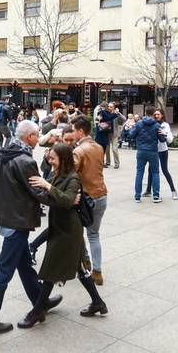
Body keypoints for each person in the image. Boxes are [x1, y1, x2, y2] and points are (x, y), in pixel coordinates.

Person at [0, 120, 62, 336]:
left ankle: (39, 300)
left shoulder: (3, 153)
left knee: (24, 263)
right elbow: (37, 191)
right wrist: (62, 197)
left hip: (5, 216)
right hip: (17, 220)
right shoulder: (25, 160)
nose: (39, 139)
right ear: (29, 137)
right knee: (4, 271)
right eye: (37, 136)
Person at [19, 142, 108, 328]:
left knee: (50, 271)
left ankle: (36, 312)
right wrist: (48, 184)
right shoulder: (55, 173)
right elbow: (59, 198)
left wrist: (48, 186)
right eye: (49, 157)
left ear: (63, 159)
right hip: (60, 227)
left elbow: (67, 201)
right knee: (81, 270)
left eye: (53, 158)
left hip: (68, 231)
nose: (50, 160)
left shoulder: (73, 178)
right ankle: (98, 303)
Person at [70, 116, 108, 284]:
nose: (72, 133)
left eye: (73, 130)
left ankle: (85, 263)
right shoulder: (98, 147)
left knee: (78, 233)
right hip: (101, 194)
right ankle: (97, 270)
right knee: (94, 234)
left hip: (86, 198)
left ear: (80, 131)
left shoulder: (79, 151)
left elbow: (71, 173)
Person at [130, 107, 163, 203]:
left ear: (145, 113)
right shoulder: (157, 125)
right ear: (153, 114)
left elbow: (131, 135)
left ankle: (137, 196)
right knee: (155, 173)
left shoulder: (139, 123)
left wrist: (133, 127)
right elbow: (162, 140)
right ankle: (156, 196)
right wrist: (163, 134)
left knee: (139, 172)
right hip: (153, 151)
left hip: (141, 150)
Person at [144, 108, 177, 199]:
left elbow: (170, 140)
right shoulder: (151, 124)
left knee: (165, 170)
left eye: (158, 114)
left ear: (162, 115)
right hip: (153, 151)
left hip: (162, 151)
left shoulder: (165, 125)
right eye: (155, 114)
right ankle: (148, 190)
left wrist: (164, 133)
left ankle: (173, 190)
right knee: (150, 170)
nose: (156, 116)